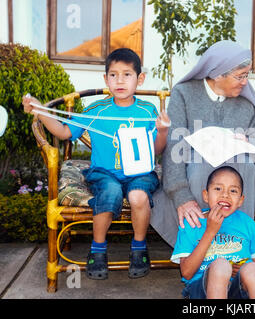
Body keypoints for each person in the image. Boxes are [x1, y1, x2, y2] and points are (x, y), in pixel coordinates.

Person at [22, 48, 170, 280]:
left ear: (140, 79)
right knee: (109, 192)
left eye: (127, 74)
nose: (119, 80)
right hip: (104, 174)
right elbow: (63, 131)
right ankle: (98, 249)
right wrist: (40, 110)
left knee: (138, 197)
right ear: (105, 79)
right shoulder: (95, 110)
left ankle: (139, 247)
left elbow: (157, 150)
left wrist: (162, 131)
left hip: (140, 173)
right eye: (113, 75)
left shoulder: (147, 111)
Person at [151, 40, 255, 247]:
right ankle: (198, 250)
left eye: (247, 75)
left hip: (238, 173)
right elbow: (173, 149)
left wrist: (250, 142)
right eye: (240, 76)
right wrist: (181, 196)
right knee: (200, 168)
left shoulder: (247, 102)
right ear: (217, 74)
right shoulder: (184, 94)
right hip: (192, 176)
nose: (245, 82)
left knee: (246, 168)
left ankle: (239, 247)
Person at [170, 166, 255, 299]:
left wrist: (240, 270)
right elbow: (186, 273)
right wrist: (210, 231)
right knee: (221, 265)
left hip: (238, 290)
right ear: (206, 195)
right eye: (218, 189)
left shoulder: (246, 223)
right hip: (202, 290)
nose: (225, 195)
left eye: (233, 190)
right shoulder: (192, 223)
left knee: (252, 269)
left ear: (241, 200)